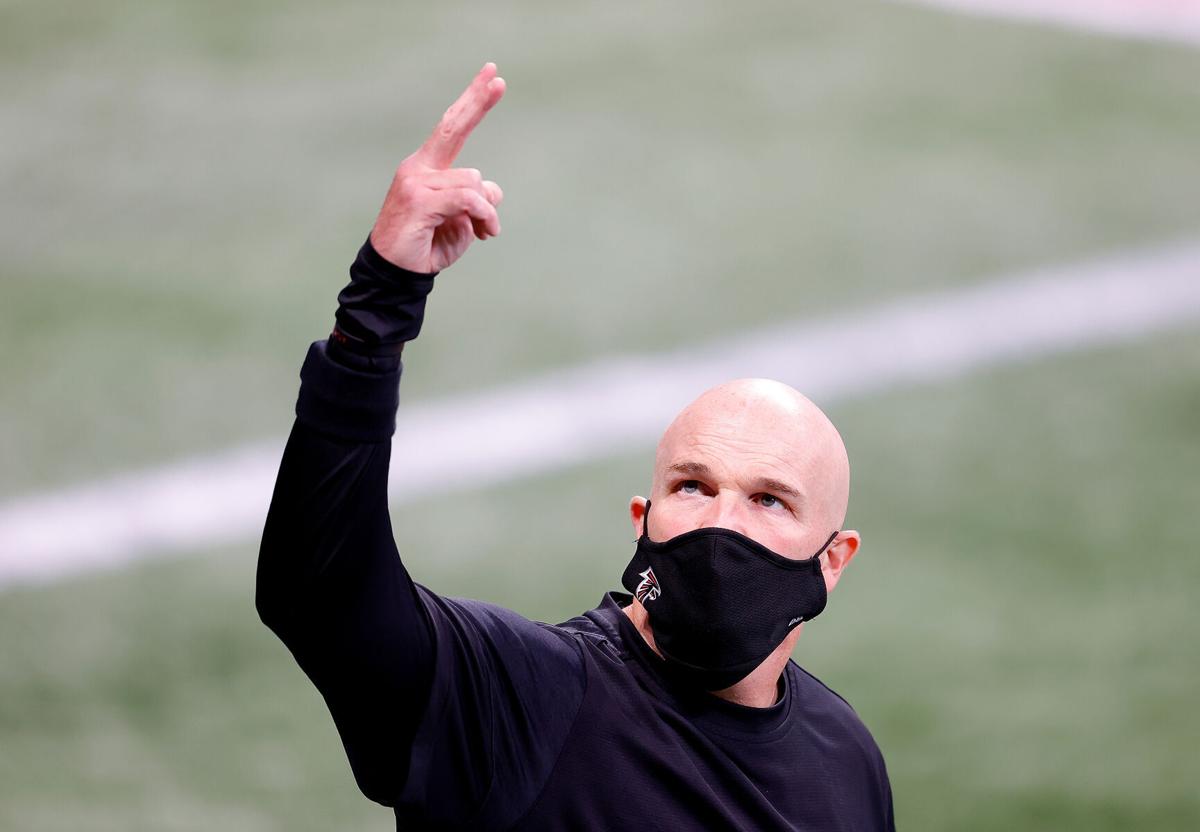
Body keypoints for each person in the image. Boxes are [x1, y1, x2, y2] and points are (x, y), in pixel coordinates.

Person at [257, 62, 894, 831]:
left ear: (834, 557)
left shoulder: (844, 762)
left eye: (768, 499)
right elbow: (320, 592)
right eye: (692, 486)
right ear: (642, 517)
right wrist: (376, 309)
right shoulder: (523, 701)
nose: (722, 525)